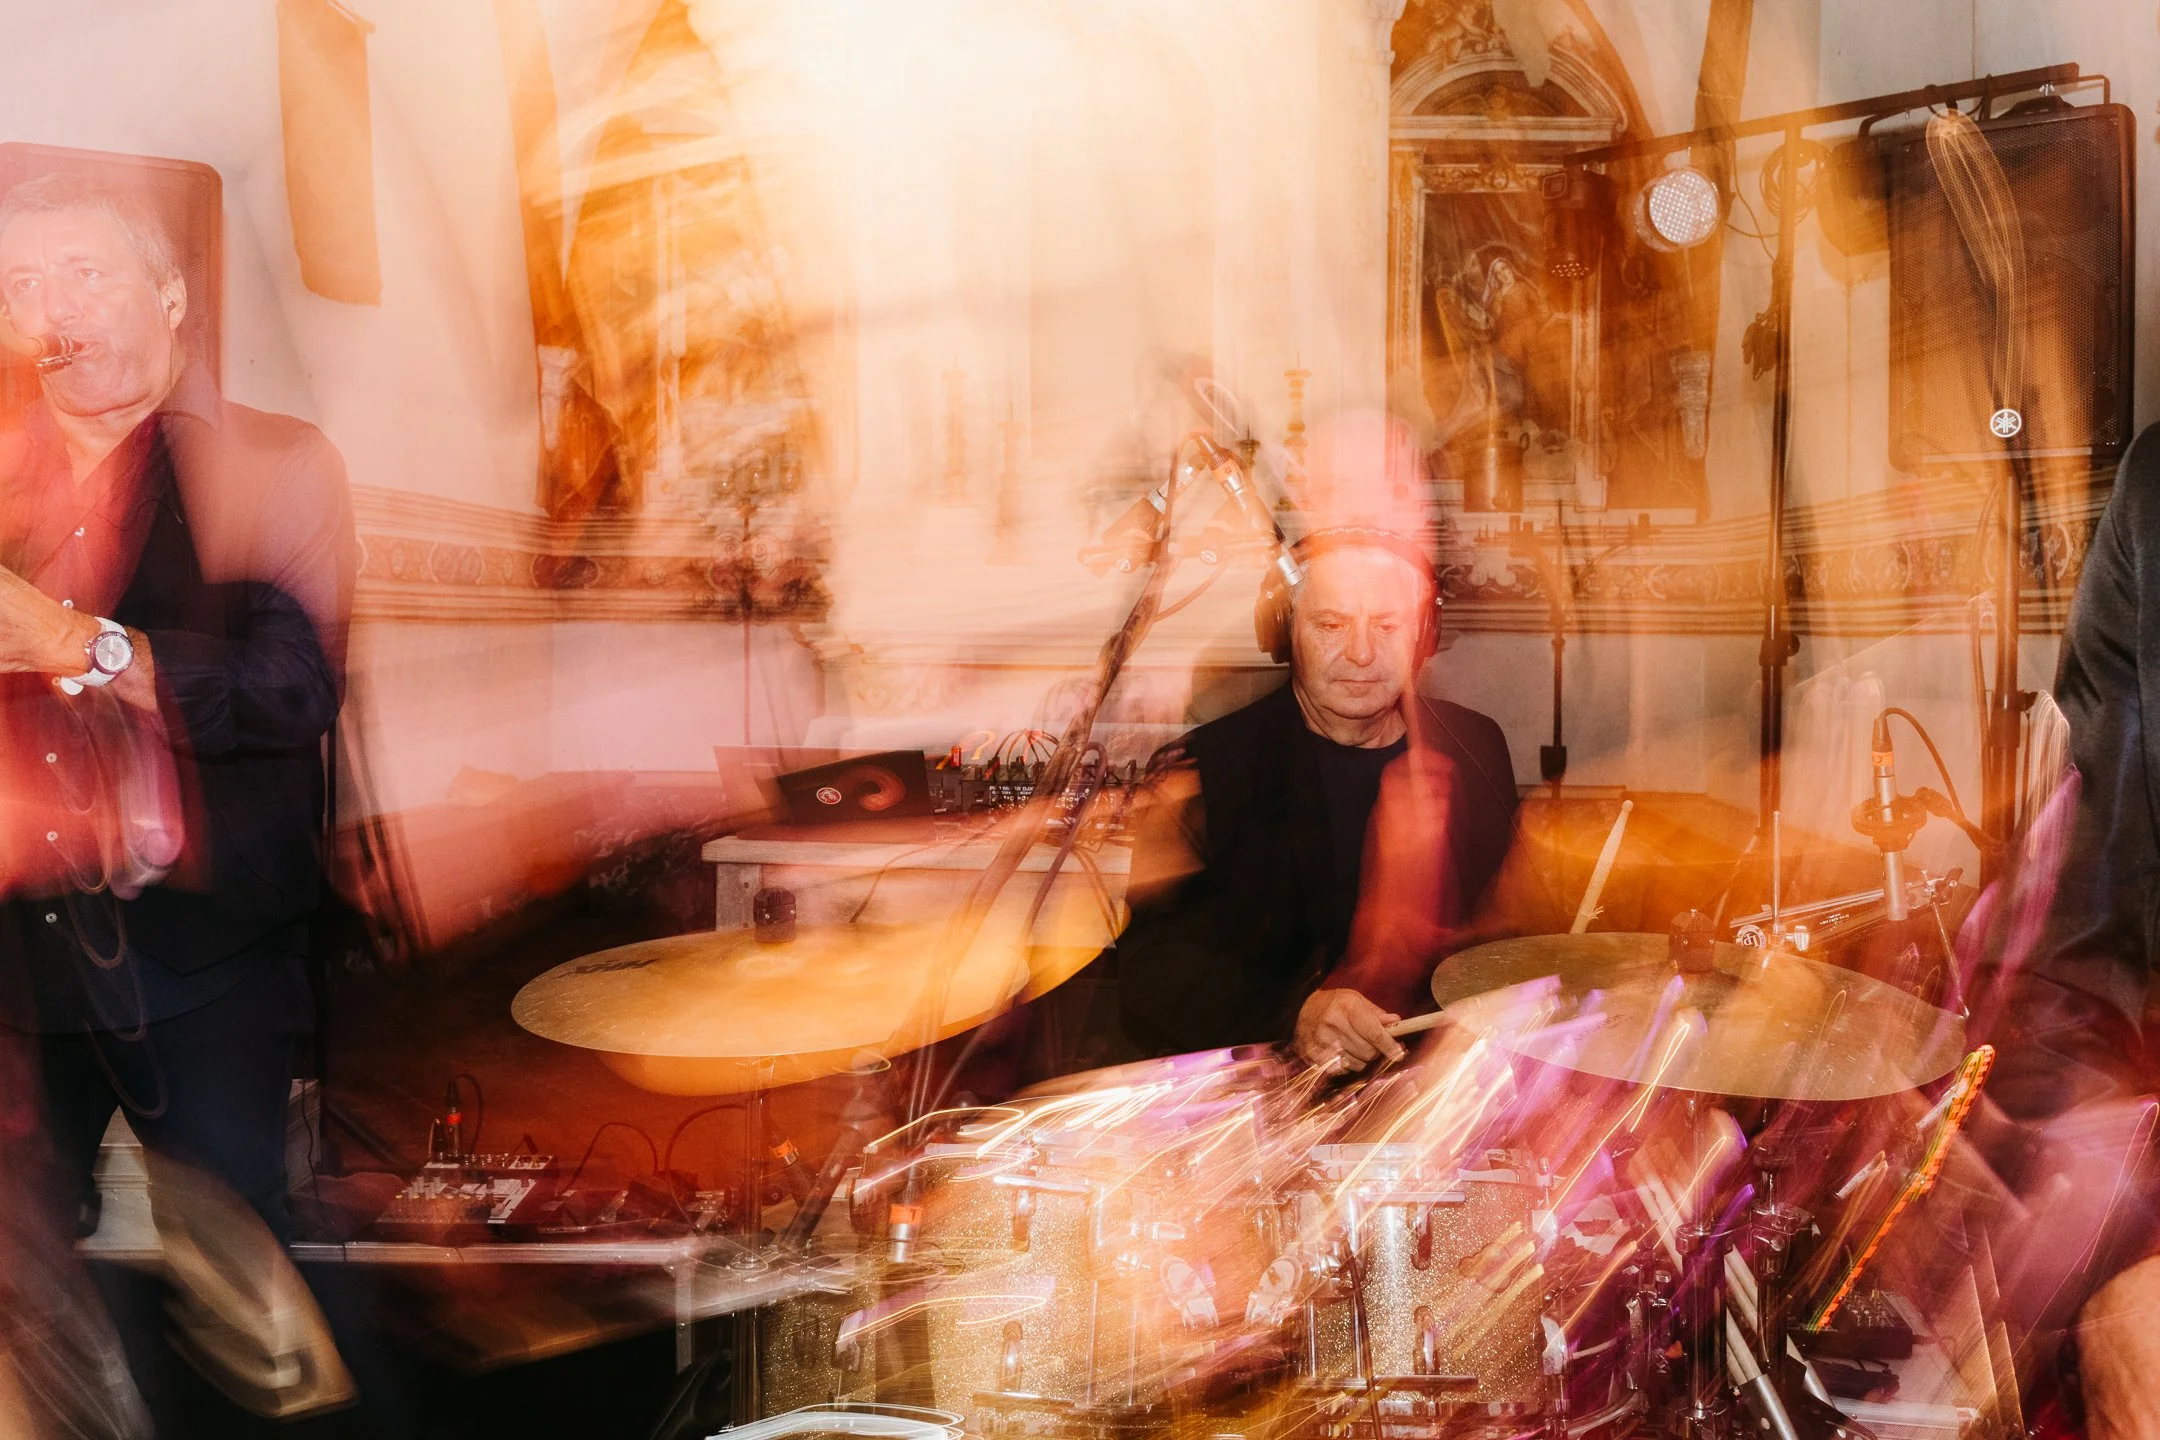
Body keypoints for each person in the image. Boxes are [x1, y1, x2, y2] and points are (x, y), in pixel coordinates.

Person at [0, 172, 354, 1262]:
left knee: (238, 1276)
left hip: (207, 968)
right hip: (21, 964)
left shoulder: (277, 462)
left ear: (167, 298)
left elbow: (295, 691)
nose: (53, 307)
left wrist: (83, 644)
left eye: (85, 273)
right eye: (21, 282)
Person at [1110, 525, 1517, 1070]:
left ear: (1423, 634)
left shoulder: (1474, 747)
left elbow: (1505, 944)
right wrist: (1294, 1014)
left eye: (1387, 625)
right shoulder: (1205, 768)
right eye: (1331, 624)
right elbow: (1150, 974)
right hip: (1267, 1091)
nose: (1361, 652)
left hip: (1439, 1089)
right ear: (1284, 630)